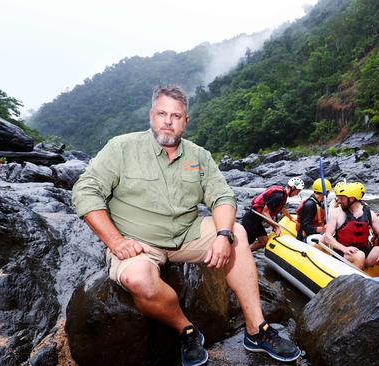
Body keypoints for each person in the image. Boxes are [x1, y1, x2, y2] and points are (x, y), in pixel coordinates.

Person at [71, 86, 300, 366]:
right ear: (151, 115)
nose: (168, 121)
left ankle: (256, 330)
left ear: (186, 121)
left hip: (188, 234)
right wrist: (116, 241)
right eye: (162, 114)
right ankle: (187, 330)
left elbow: (223, 196)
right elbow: (85, 191)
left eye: (176, 115)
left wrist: (223, 234)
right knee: (138, 279)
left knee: (238, 233)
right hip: (138, 242)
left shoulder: (199, 156)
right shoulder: (122, 148)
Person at [320, 182, 379, 269]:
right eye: (338, 198)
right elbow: (327, 236)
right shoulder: (336, 213)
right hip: (342, 251)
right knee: (359, 255)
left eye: (342, 199)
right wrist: (344, 249)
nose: (338, 201)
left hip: (363, 249)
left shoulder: (370, 213)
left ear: (351, 199)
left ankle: (378, 277)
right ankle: (354, 276)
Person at [242, 178, 304, 251]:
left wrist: (290, 218)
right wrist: (276, 226)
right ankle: (238, 255)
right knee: (245, 242)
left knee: (264, 241)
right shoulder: (279, 196)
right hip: (251, 219)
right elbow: (265, 212)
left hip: (256, 220)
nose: (297, 194)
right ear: (293, 188)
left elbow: (281, 208)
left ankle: (244, 253)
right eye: (298, 191)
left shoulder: (282, 195)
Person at [296, 178, 331, 243]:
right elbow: (305, 226)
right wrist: (321, 229)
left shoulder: (319, 202)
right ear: (326, 192)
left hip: (314, 233)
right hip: (305, 237)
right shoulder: (310, 205)